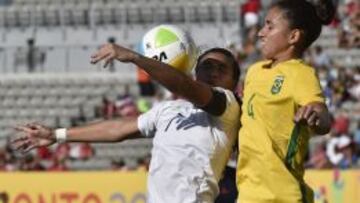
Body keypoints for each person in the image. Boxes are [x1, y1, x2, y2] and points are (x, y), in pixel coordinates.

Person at [12, 47, 241, 203]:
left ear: (234, 82)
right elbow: (118, 129)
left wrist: (135, 58)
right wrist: (57, 134)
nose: (213, 72)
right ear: (195, 72)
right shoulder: (170, 109)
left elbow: (182, 85)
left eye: (222, 69)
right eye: (207, 66)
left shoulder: (228, 107)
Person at [236, 0, 334, 202]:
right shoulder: (254, 71)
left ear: (293, 36)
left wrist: (314, 116)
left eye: (270, 26)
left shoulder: (301, 74)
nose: (260, 33)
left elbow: (323, 116)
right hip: (248, 193)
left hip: (282, 196)